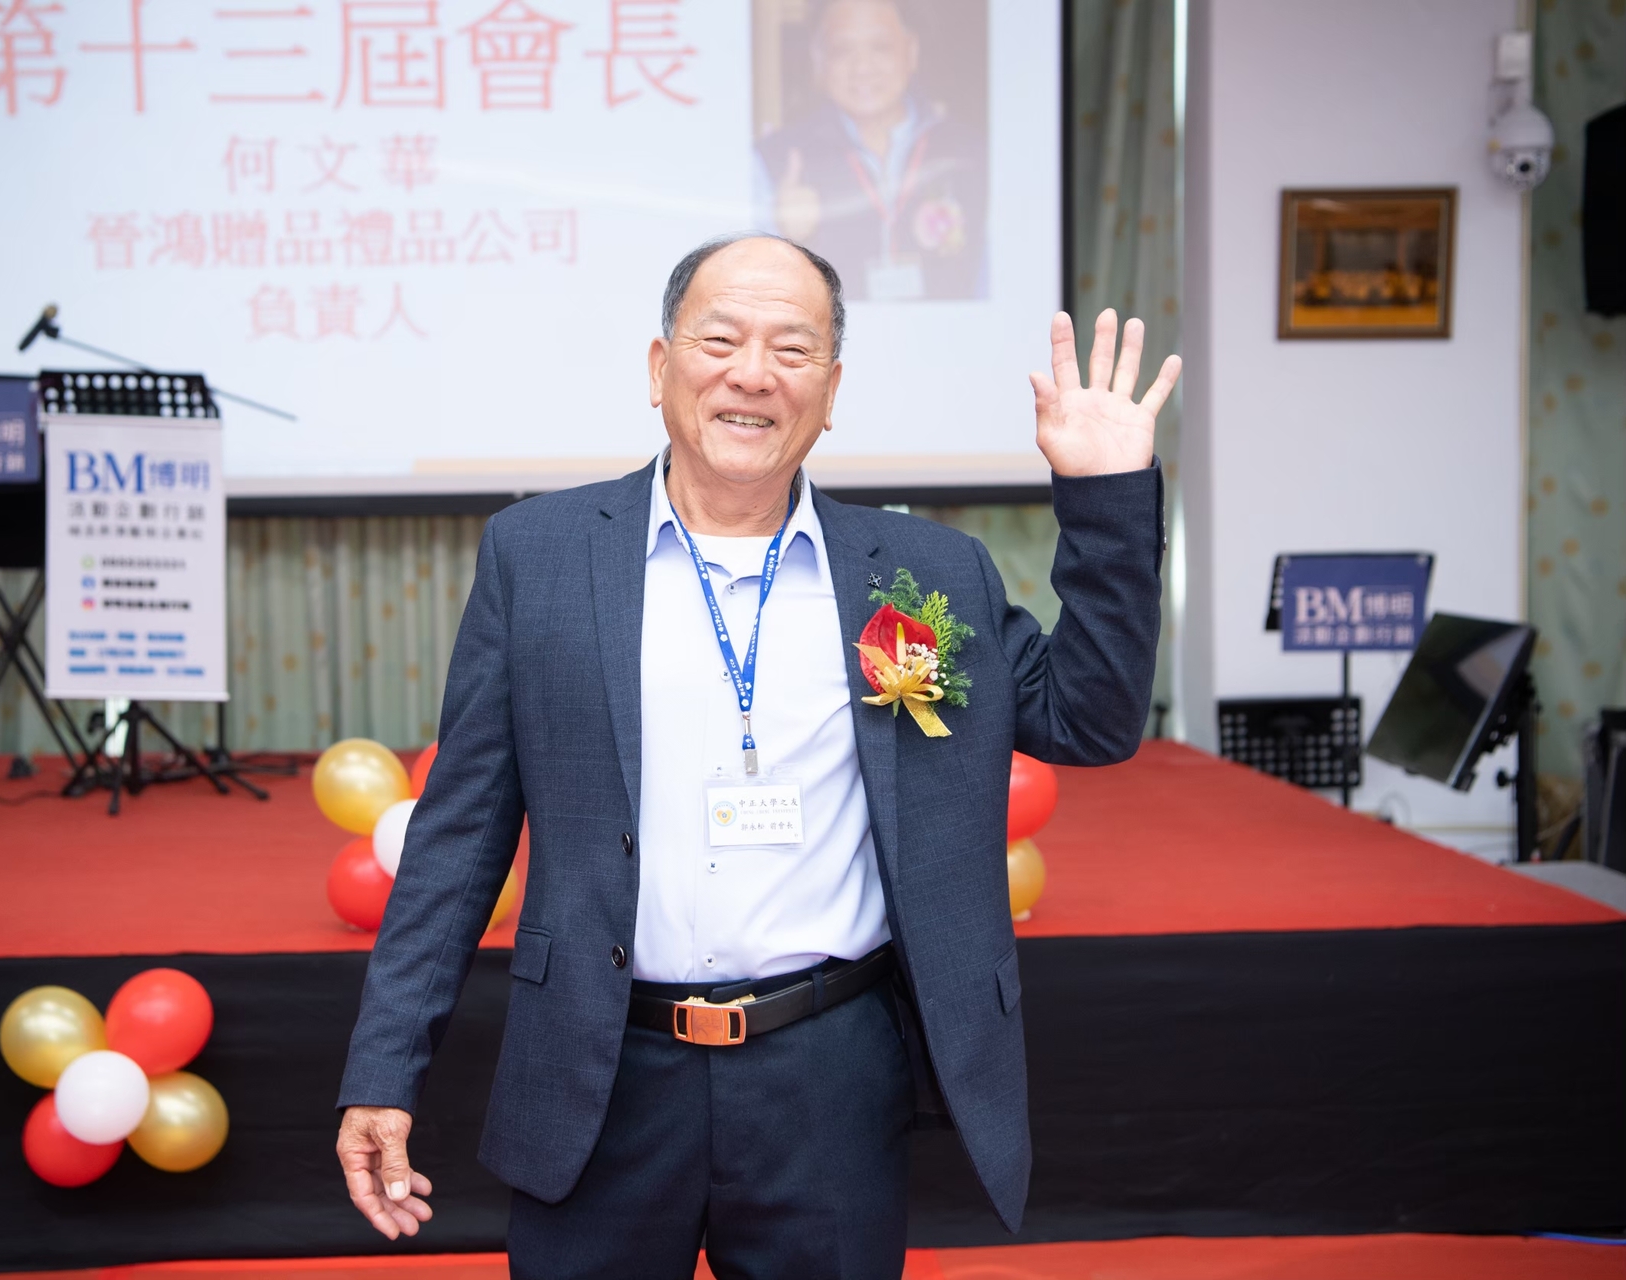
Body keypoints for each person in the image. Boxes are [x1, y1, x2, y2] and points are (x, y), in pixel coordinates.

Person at [336, 232, 1180, 1278]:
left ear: (831, 392)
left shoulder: (923, 574)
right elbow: (459, 836)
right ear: (660, 368)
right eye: (720, 339)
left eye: (792, 349)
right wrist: (384, 1067)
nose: (753, 373)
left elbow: (1091, 718)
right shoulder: (539, 557)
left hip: (827, 1073)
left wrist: (1106, 496)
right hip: (600, 1068)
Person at [754, 0, 987, 301]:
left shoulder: (972, 155)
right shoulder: (773, 159)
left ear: (911, 51)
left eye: (880, 47)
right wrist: (785, 238)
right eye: (842, 50)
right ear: (818, 59)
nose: (862, 67)